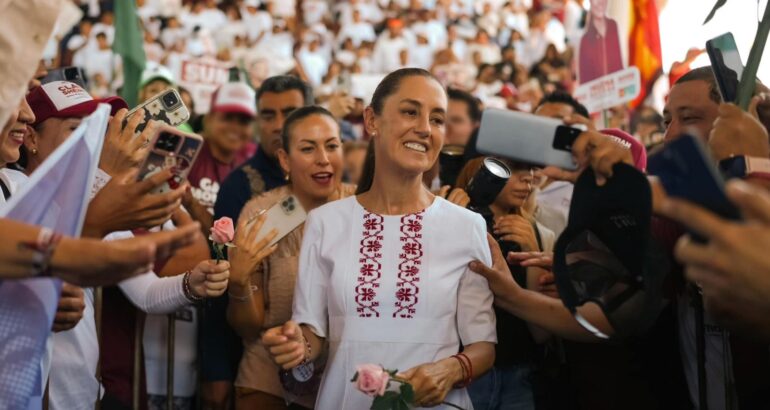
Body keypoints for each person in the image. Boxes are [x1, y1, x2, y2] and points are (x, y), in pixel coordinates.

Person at [262, 68, 497, 409]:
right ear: (372, 120)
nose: (424, 128)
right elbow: (313, 334)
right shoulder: (324, 222)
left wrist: (450, 370)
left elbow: (484, 345)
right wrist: (297, 346)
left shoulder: (467, 226)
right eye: (410, 111)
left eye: (437, 119)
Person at [228, 106, 356, 409]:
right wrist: (238, 281)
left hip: (348, 379)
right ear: (285, 159)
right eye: (308, 148)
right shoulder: (262, 216)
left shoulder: (363, 207)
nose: (323, 159)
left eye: (332, 146)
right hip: (268, 378)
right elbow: (246, 328)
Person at [201, 75, 313, 410]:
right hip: (257, 363)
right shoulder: (241, 189)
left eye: (290, 112)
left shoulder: (335, 183)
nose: (279, 124)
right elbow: (221, 280)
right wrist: (216, 368)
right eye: (268, 115)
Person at [456, 157, 555, 410]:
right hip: (462, 371)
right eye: (515, 168)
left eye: (532, 168)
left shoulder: (541, 233)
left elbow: (541, 333)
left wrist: (532, 251)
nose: (528, 177)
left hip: (519, 372)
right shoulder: (452, 221)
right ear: (480, 171)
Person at [183, 81, 257, 236]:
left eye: (244, 121)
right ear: (208, 119)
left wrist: (191, 203)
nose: (235, 127)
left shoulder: (256, 163)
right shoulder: (185, 151)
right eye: (228, 118)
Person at [577, 0, 623, 84]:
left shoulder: (613, 27)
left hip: (615, 89)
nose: (600, 3)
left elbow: (619, 64)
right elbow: (584, 77)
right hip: (596, 92)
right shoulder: (584, 40)